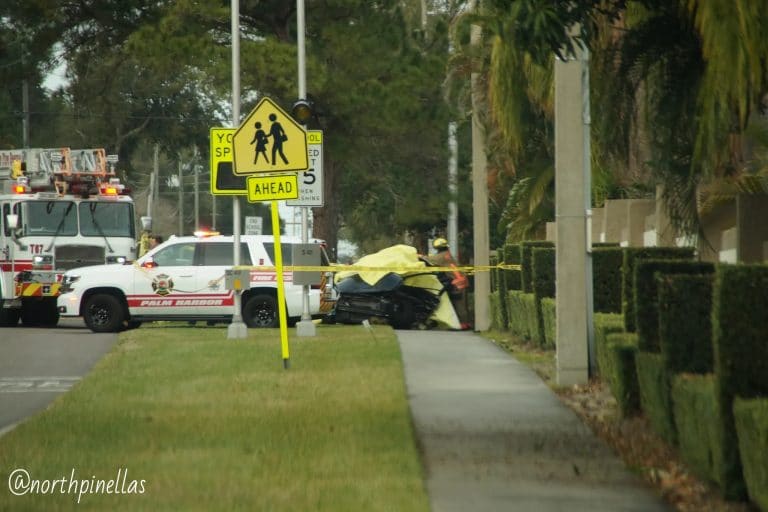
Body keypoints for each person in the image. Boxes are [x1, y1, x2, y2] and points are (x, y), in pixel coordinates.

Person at [427, 238, 471, 330]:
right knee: (461, 304)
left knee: (459, 304)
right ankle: (464, 323)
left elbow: (429, 260)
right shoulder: (447, 254)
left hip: (457, 282)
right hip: (461, 280)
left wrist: (417, 256)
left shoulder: (442, 256)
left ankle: (463, 324)